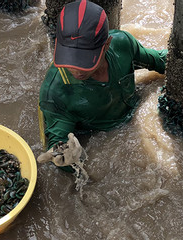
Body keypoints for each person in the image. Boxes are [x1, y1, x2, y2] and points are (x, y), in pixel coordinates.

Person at [37, 0, 168, 171]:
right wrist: (69, 160)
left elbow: (159, 61)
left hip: (134, 115)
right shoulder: (55, 92)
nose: (75, 68)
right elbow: (58, 145)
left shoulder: (122, 44)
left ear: (106, 45)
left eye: (83, 60)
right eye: (69, 58)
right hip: (100, 133)